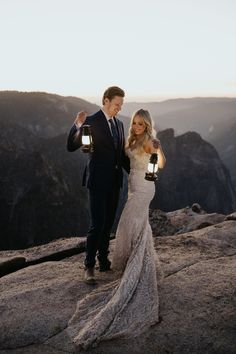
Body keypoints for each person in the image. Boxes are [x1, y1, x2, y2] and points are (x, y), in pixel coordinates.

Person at [67, 109, 166, 349]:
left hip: (144, 188)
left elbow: (160, 164)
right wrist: (81, 130)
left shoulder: (149, 142)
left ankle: (136, 265)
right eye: (135, 123)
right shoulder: (127, 138)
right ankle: (130, 260)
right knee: (134, 224)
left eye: (142, 124)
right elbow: (117, 158)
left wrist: (159, 149)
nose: (137, 126)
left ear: (148, 125)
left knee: (128, 223)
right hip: (130, 186)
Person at [67, 86, 130, 283]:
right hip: (97, 181)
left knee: (108, 223)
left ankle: (103, 260)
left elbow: (120, 155)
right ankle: (88, 266)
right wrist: (77, 125)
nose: (119, 108)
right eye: (116, 104)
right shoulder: (91, 122)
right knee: (97, 224)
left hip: (114, 182)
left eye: (121, 105)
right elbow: (71, 146)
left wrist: (138, 173)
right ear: (106, 101)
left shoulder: (119, 124)